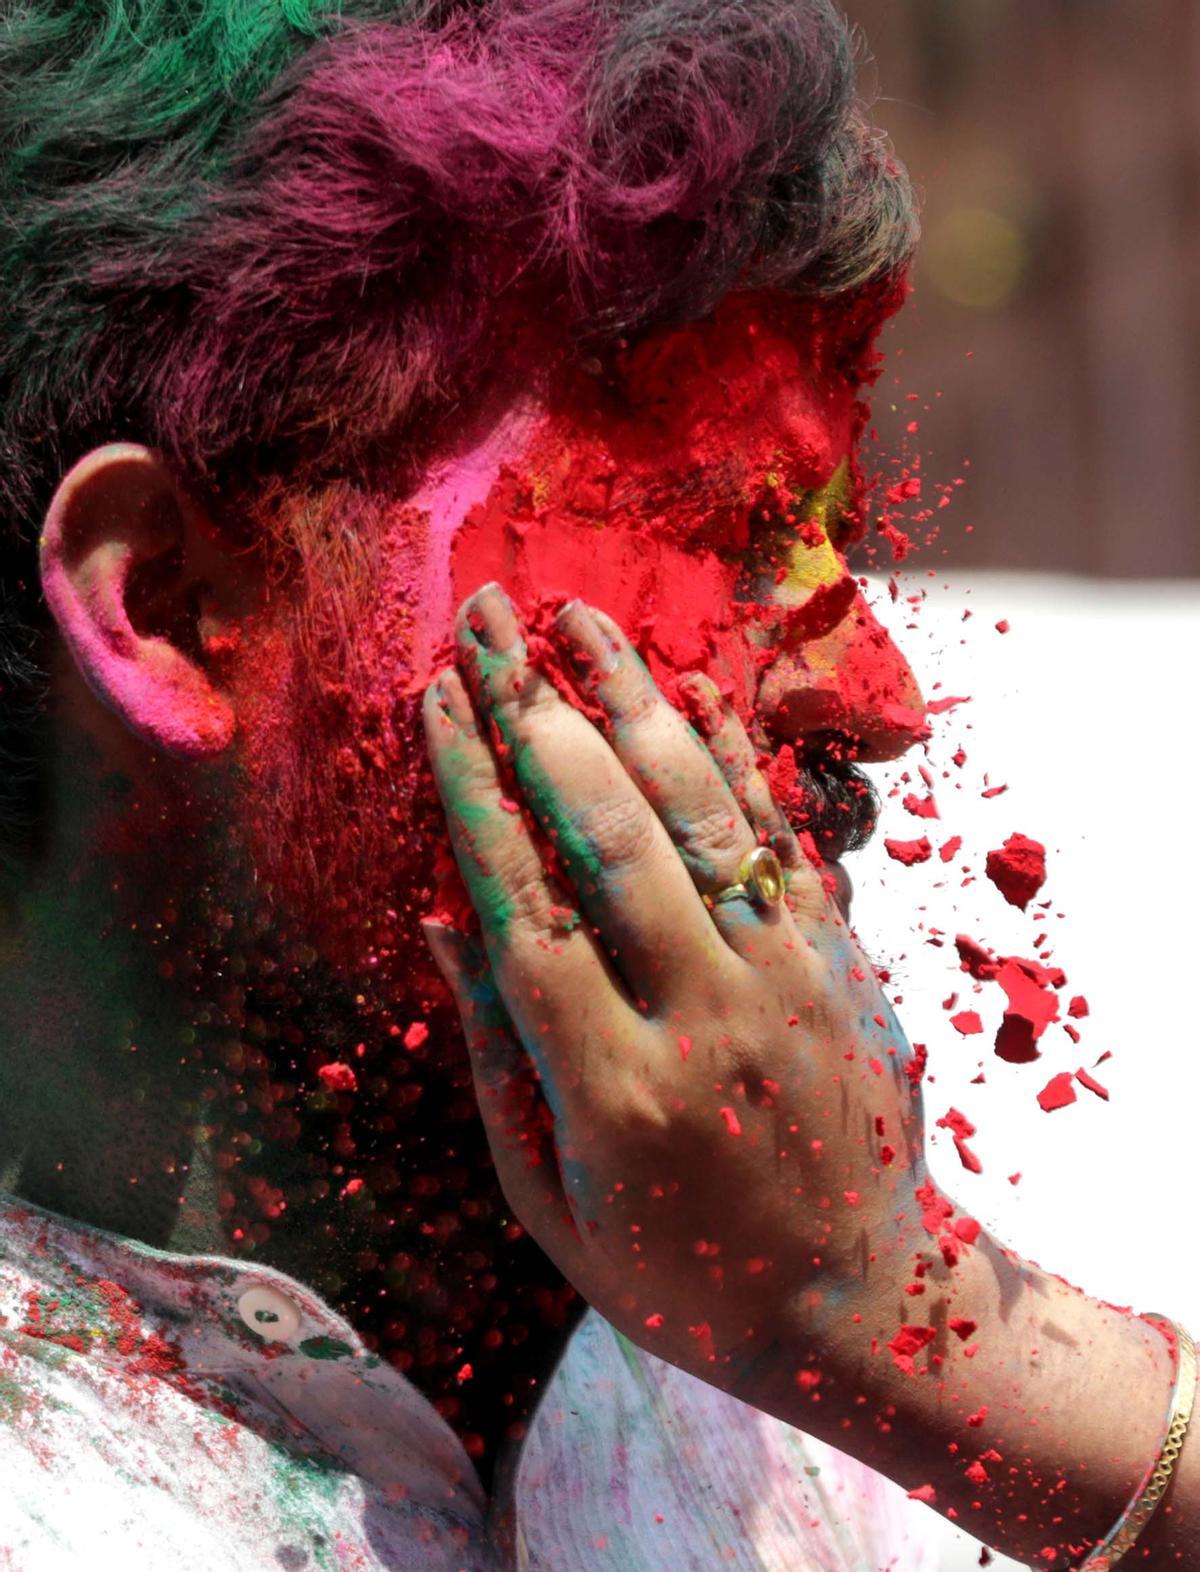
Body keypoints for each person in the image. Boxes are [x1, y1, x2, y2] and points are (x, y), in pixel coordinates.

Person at [0, 1, 1189, 1570]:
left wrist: (931, 1348)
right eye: (721, 535)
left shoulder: (817, 1290)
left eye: (836, 536)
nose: (882, 702)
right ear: (172, 605)